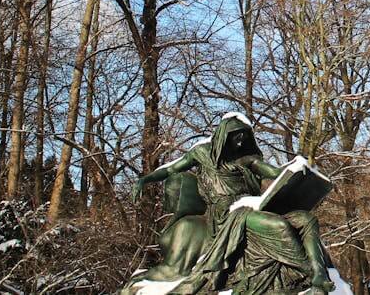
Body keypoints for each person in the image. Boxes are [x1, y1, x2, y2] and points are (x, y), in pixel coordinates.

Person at [131, 113, 333, 295]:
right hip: (228, 214)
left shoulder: (246, 158)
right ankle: (306, 271)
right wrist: (144, 180)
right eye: (236, 136)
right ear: (223, 135)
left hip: (252, 204)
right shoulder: (201, 153)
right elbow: (171, 169)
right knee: (279, 226)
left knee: (307, 220)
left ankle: (319, 275)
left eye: (244, 136)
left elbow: (273, 172)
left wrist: (299, 167)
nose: (240, 141)